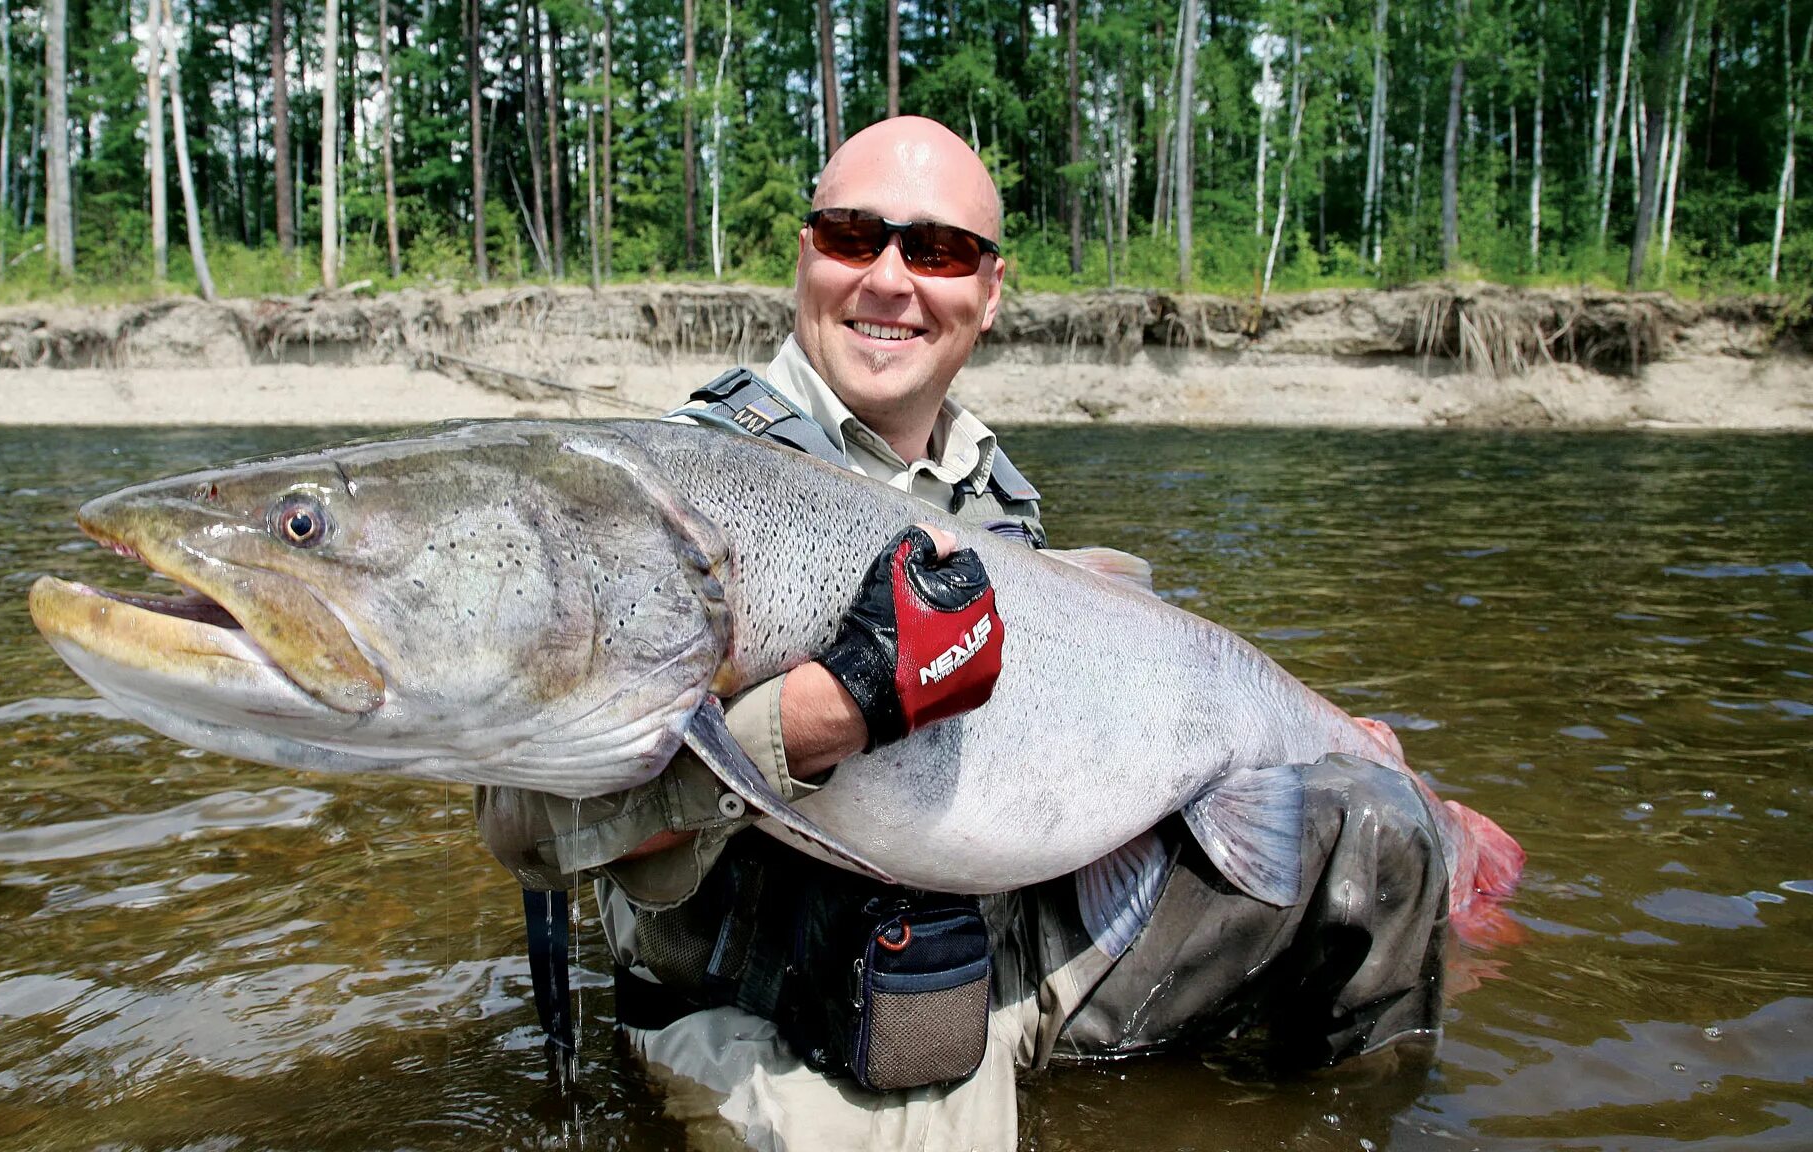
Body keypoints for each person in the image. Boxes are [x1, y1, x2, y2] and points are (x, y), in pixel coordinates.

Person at [477, 116, 1457, 1151]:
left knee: (1378, 830)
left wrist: (1321, 745)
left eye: (938, 251)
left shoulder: (994, 500)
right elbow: (525, 826)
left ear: (986, 293)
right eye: (855, 236)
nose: (892, 279)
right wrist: (810, 722)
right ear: (806, 256)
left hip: (1002, 946)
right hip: (776, 1012)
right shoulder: (666, 491)